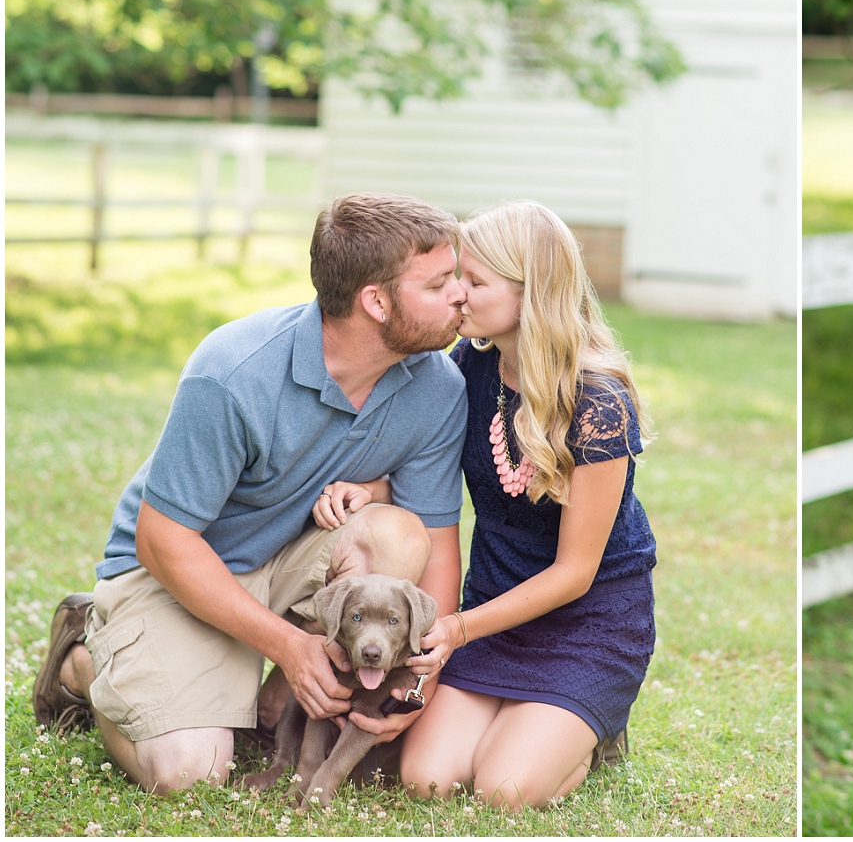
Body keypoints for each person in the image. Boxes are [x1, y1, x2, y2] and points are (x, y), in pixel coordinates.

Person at [31, 193, 471, 793]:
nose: (461, 294)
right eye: (440, 283)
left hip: (292, 562)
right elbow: (163, 542)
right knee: (189, 773)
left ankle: (273, 710)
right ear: (376, 301)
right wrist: (289, 647)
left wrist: (421, 678)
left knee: (397, 533)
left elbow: (437, 548)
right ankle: (87, 655)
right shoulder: (234, 371)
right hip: (178, 572)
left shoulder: (437, 385)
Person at [315, 200, 657, 811]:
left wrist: (454, 629)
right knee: (427, 778)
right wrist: (371, 492)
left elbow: (575, 574)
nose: (457, 296)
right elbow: (430, 470)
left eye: (473, 282)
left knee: (503, 789)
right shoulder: (473, 365)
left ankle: (590, 734)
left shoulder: (599, 404)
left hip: (587, 621)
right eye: (453, 280)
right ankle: (534, 722)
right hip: (494, 604)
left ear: (532, 293)